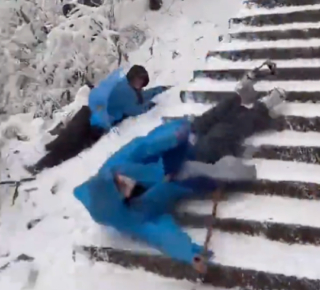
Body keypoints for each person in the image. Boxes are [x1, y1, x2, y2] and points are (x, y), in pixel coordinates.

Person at [73, 68, 285, 274]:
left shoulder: (115, 167)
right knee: (222, 134)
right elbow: (162, 235)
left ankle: (239, 95)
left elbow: (143, 145)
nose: (125, 182)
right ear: (119, 202)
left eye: (119, 180)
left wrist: (174, 136)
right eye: (121, 189)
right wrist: (190, 254)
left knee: (210, 118)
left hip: (173, 144)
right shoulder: (132, 217)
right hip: (185, 171)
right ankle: (263, 108)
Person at [26, 65, 169, 175]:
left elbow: (141, 96)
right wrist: (150, 105)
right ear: (132, 77)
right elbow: (136, 109)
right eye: (138, 79)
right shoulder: (127, 93)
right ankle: (40, 167)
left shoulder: (122, 84)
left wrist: (159, 90)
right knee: (70, 149)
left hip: (87, 112)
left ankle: (47, 150)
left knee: (67, 136)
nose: (140, 83)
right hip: (95, 126)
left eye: (142, 81)